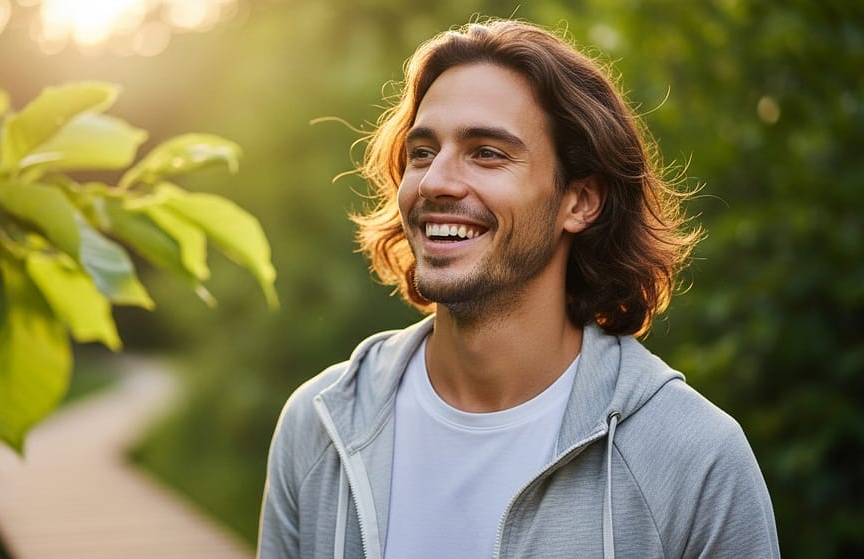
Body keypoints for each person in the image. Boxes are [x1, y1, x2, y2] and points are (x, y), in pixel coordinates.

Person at [258, 18, 780, 559]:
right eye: (422, 151)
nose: (436, 180)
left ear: (580, 201)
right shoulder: (319, 425)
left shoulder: (694, 457)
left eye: (486, 152)